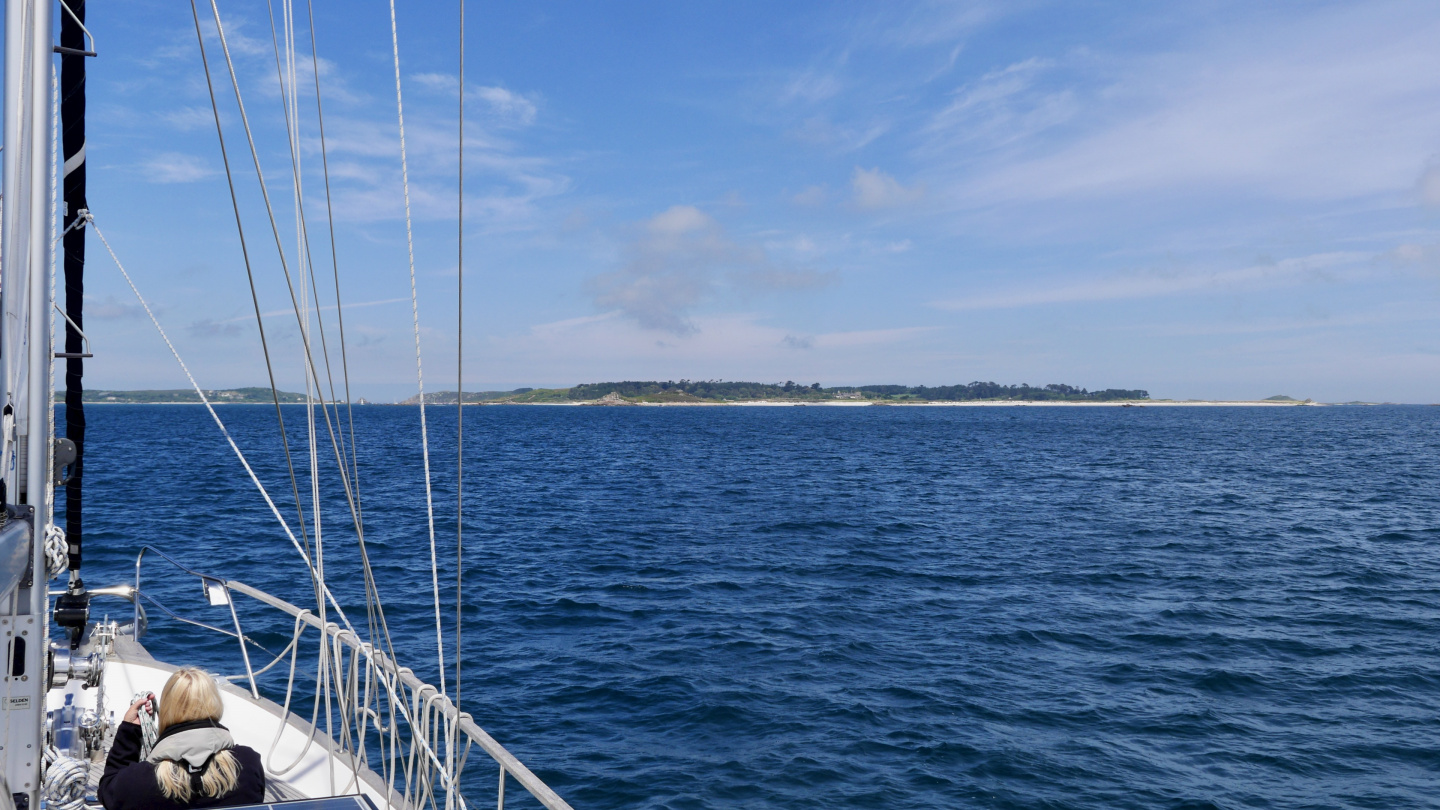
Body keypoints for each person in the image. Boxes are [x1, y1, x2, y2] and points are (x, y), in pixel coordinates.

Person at [98, 667, 266, 810]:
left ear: (166, 710)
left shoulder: (140, 781)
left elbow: (108, 792)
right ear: (215, 704)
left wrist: (129, 732)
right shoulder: (248, 764)